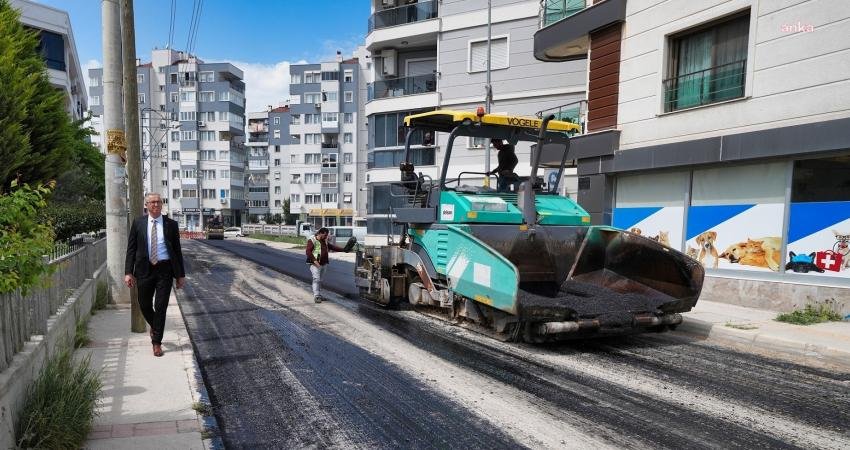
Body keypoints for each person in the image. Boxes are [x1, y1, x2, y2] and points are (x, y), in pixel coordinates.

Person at [124, 193, 186, 357]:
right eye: (152, 202)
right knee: (143, 304)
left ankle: (156, 343)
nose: (156, 205)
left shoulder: (171, 224)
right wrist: (128, 272)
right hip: (144, 269)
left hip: (165, 270)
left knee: (161, 306)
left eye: (159, 202)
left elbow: (177, 251)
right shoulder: (138, 223)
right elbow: (131, 249)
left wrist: (180, 275)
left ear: (162, 204)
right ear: (147, 205)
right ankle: (155, 325)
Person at [306, 227, 347, 303]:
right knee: (316, 279)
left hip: (324, 263)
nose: (326, 237)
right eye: (325, 235)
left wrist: (343, 250)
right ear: (320, 233)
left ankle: (319, 295)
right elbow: (308, 252)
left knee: (320, 280)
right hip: (315, 264)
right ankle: (316, 296)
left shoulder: (324, 240)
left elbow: (332, 247)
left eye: (327, 235)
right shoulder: (312, 240)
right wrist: (315, 261)